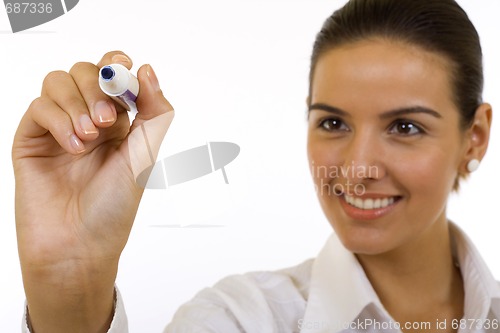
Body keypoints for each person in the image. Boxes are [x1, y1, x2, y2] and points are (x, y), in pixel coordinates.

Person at [12, 0, 499, 332]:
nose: (358, 167)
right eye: (332, 123)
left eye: (405, 128)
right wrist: (69, 284)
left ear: (473, 138)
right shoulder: (238, 320)